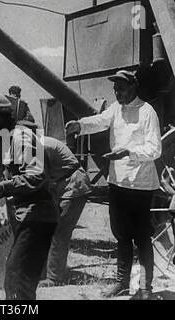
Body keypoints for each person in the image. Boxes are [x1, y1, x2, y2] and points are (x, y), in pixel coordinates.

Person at [66, 70, 162, 300]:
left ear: (133, 88)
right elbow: (100, 121)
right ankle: (122, 283)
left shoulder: (148, 112)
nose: (117, 92)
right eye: (115, 89)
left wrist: (128, 152)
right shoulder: (116, 109)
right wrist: (79, 125)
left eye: (121, 88)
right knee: (121, 234)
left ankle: (146, 288)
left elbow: (155, 149)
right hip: (117, 182)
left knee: (141, 236)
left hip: (140, 185)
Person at [0, 91, 59, 300]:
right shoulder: (7, 139)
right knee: (14, 279)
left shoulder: (20, 137)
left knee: (19, 279)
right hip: (26, 216)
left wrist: (2, 187)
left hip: (37, 217)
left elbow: (36, 176)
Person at [14, 119, 92, 287]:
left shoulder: (42, 147)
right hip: (63, 186)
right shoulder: (37, 146)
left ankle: (54, 277)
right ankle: (44, 271)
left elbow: (39, 180)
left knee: (59, 231)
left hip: (74, 186)